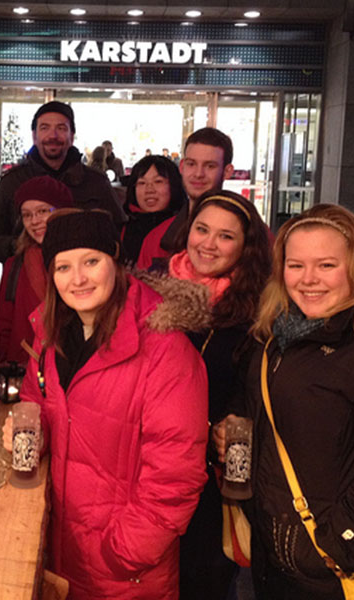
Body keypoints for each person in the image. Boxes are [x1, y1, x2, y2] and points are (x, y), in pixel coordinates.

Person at [223, 204, 354, 598]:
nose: (308, 280)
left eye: (326, 265)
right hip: (277, 572)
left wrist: (335, 548)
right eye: (295, 265)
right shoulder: (274, 342)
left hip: (345, 575)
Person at [5, 208, 209, 598]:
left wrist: (121, 554)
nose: (77, 278)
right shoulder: (51, 334)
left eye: (91, 261)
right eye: (62, 267)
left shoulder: (165, 350)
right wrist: (30, 431)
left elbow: (175, 479)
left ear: (115, 261)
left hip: (121, 572)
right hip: (59, 549)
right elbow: (38, 403)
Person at [144, 190, 271, 598]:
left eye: (225, 236)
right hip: (145, 459)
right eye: (202, 229)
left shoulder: (258, 309)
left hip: (210, 470)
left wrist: (237, 418)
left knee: (203, 578)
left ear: (246, 246)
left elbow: (257, 384)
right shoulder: (149, 287)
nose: (208, 244)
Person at [0, 101, 124, 262]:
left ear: (72, 136)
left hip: (83, 279)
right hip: (27, 279)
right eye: (45, 128)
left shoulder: (96, 182)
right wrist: (20, 245)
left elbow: (119, 233)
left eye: (61, 128)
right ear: (34, 136)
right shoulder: (12, 182)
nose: (53, 135)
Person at [0, 176, 73, 364]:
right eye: (27, 214)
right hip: (24, 367)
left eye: (43, 211)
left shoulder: (81, 263)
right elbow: (4, 323)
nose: (34, 221)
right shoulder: (15, 264)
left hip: (69, 368)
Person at [137, 128, 235, 269]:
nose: (198, 174)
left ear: (227, 172)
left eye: (210, 166)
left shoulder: (251, 232)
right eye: (191, 164)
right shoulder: (156, 239)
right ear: (182, 167)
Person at [120, 155, 186, 266]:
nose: (149, 190)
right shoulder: (121, 228)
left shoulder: (185, 226)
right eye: (142, 183)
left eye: (158, 181)